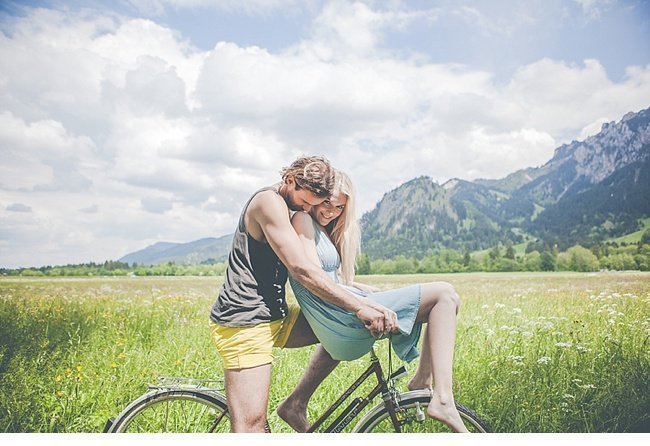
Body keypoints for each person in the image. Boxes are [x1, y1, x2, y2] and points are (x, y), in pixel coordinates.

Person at [209, 156, 398, 433]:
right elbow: (301, 268)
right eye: (306, 202)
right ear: (289, 180)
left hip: (275, 317)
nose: (308, 209)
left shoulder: (292, 203)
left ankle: (295, 404)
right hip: (244, 322)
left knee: (343, 325)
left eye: (314, 205)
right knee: (251, 425)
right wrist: (359, 306)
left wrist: (356, 297)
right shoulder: (268, 202)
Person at [277, 170, 469, 433]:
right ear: (317, 196)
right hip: (338, 316)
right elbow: (311, 275)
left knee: (448, 299)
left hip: (336, 315)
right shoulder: (302, 219)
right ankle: (440, 396)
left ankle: (296, 403)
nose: (330, 211)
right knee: (444, 294)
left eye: (339, 207)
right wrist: (362, 303)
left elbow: (328, 278)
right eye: (326, 203)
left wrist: (358, 288)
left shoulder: (321, 229)